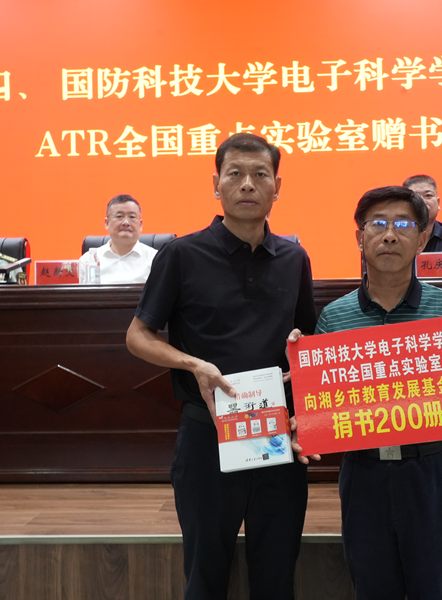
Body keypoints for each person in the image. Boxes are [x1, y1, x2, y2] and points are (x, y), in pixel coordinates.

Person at [125, 133, 317, 600]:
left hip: (277, 435)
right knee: (206, 574)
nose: (248, 184)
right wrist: (193, 364)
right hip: (207, 436)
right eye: (235, 174)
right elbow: (137, 336)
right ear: (217, 185)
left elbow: (307, 339)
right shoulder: (182, 255)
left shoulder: (294, 259)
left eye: (260, 174)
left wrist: (301, 350)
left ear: (277, 187)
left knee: (277, 575)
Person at [291, 185, 442, 600]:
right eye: (378, 224)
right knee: (372, 588)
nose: (389, 235)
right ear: (360, 237)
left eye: (403, 225)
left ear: (422, 238)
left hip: (432, 472)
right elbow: (319, 404)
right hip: (364, 474)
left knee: (439, 590)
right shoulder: (334, 316)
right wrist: (303, 418)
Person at [78, 194, 157, 284]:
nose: (126, 223)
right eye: (119, 216)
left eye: (132, 217)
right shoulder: (86, 260)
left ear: (140, 224)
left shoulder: (155, 259)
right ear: (107, 223)